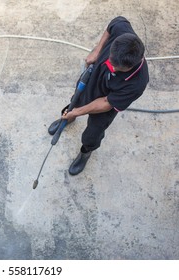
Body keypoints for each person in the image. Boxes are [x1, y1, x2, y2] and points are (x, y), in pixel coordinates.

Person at [48, 16, 149, 175]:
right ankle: (69, 117)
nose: (112, 68)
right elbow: (115, 22)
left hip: (106, 102)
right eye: (111, 61)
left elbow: (105, 103)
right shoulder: (124, 35)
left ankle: (85, 152)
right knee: (76, 99)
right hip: (93, 79)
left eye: (117, 68)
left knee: (93, 133)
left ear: (132, 65)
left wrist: (79, 112)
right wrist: (97, 51)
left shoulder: (137, 83)